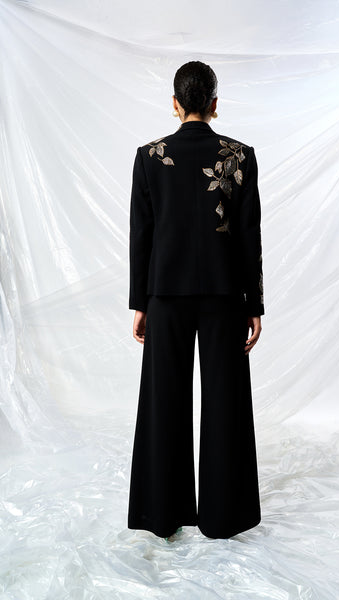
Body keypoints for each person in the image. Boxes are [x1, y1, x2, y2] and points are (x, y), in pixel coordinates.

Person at [127, 61, 264, 542]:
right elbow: (249, 236)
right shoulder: (239, 156)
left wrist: (140, 302)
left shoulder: (150, 157)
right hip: (225, 296)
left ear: (175, 103)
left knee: (163, 401)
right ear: (214, 104)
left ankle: (163, 515)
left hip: (165, 294)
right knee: (226, 403)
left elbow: (141, 235)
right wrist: (254, 304)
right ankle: (224, 518)